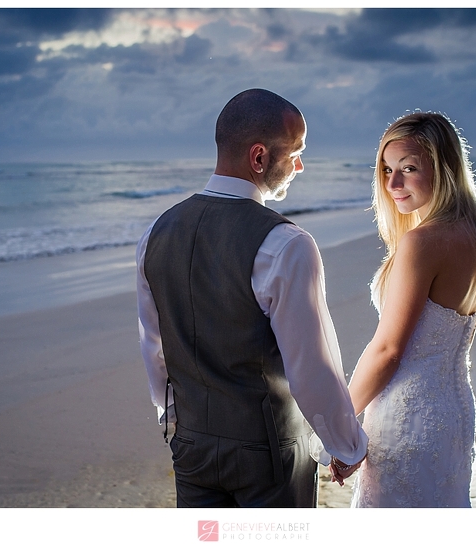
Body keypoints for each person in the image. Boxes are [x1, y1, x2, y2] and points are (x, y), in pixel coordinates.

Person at [136, 89, 367, 508]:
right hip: (268, 456)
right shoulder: (286, 243)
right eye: (295, 152)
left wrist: (175, 423)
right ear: (259, 157)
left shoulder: (156, 233)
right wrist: (347, 445)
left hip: (192, 447)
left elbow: (155, 349)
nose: (300, 165)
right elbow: (311, 368)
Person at [340, 112, 476, 507]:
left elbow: (388, 351)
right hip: (452, 411)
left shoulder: (423, 243)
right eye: (386, 169)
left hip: (407, 416)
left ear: (445, 168)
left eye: (409, 168)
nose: (392, 183)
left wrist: (340, 423)